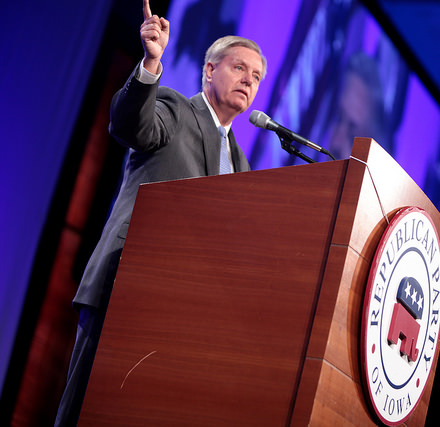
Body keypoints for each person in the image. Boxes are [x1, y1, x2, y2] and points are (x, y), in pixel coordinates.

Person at [55, 1, 266, 425]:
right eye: (239, 67)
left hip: (180, 315)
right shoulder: (175, 109)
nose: (249, 80)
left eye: (257, 76)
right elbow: (131, 125)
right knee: (83, 411)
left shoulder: (242, 165)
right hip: (125, 285)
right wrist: (152, 63)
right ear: (209, 70)